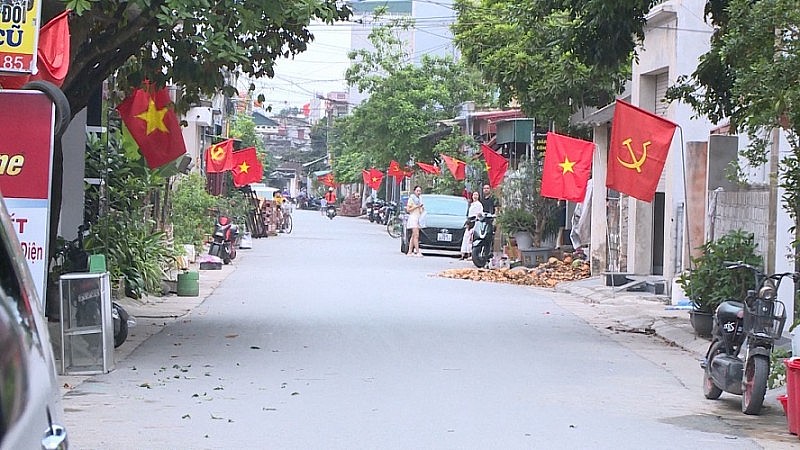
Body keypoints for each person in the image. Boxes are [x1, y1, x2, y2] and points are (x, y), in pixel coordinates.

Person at [460, 191, 484, 259]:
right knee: (466, 237)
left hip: (474, 222)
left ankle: (470, 254)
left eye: (476, 195)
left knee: (471, 238)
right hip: (469, 221)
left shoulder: (479, 204)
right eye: (474, 195)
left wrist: (475, 221)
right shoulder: (472, 204)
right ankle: (463, 253)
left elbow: (479, 214)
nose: (475, 196)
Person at [405, 185, 424, 257]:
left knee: (413, 236)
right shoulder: (411, 199)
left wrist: (422, 208)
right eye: (417, 191)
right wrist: (417, 206)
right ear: (414, 191)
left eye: (420, 191)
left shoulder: (420, 199)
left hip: (418, 217)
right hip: (413, 217)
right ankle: (417, 251)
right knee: (416, 235)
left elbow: (421, 209)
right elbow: (408, 209)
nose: (419, 192)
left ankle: (410, 251)